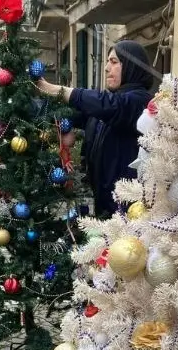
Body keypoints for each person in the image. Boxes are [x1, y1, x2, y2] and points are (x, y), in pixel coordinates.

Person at [35, 40, 155, 218]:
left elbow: (109, 106)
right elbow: (72, 112)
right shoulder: (105, 107)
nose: (107, 67)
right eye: (107, 61)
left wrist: (54, 89)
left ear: (131, 67)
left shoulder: (141, 102)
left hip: (130, 213)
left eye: (114, 62)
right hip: (104, 207)